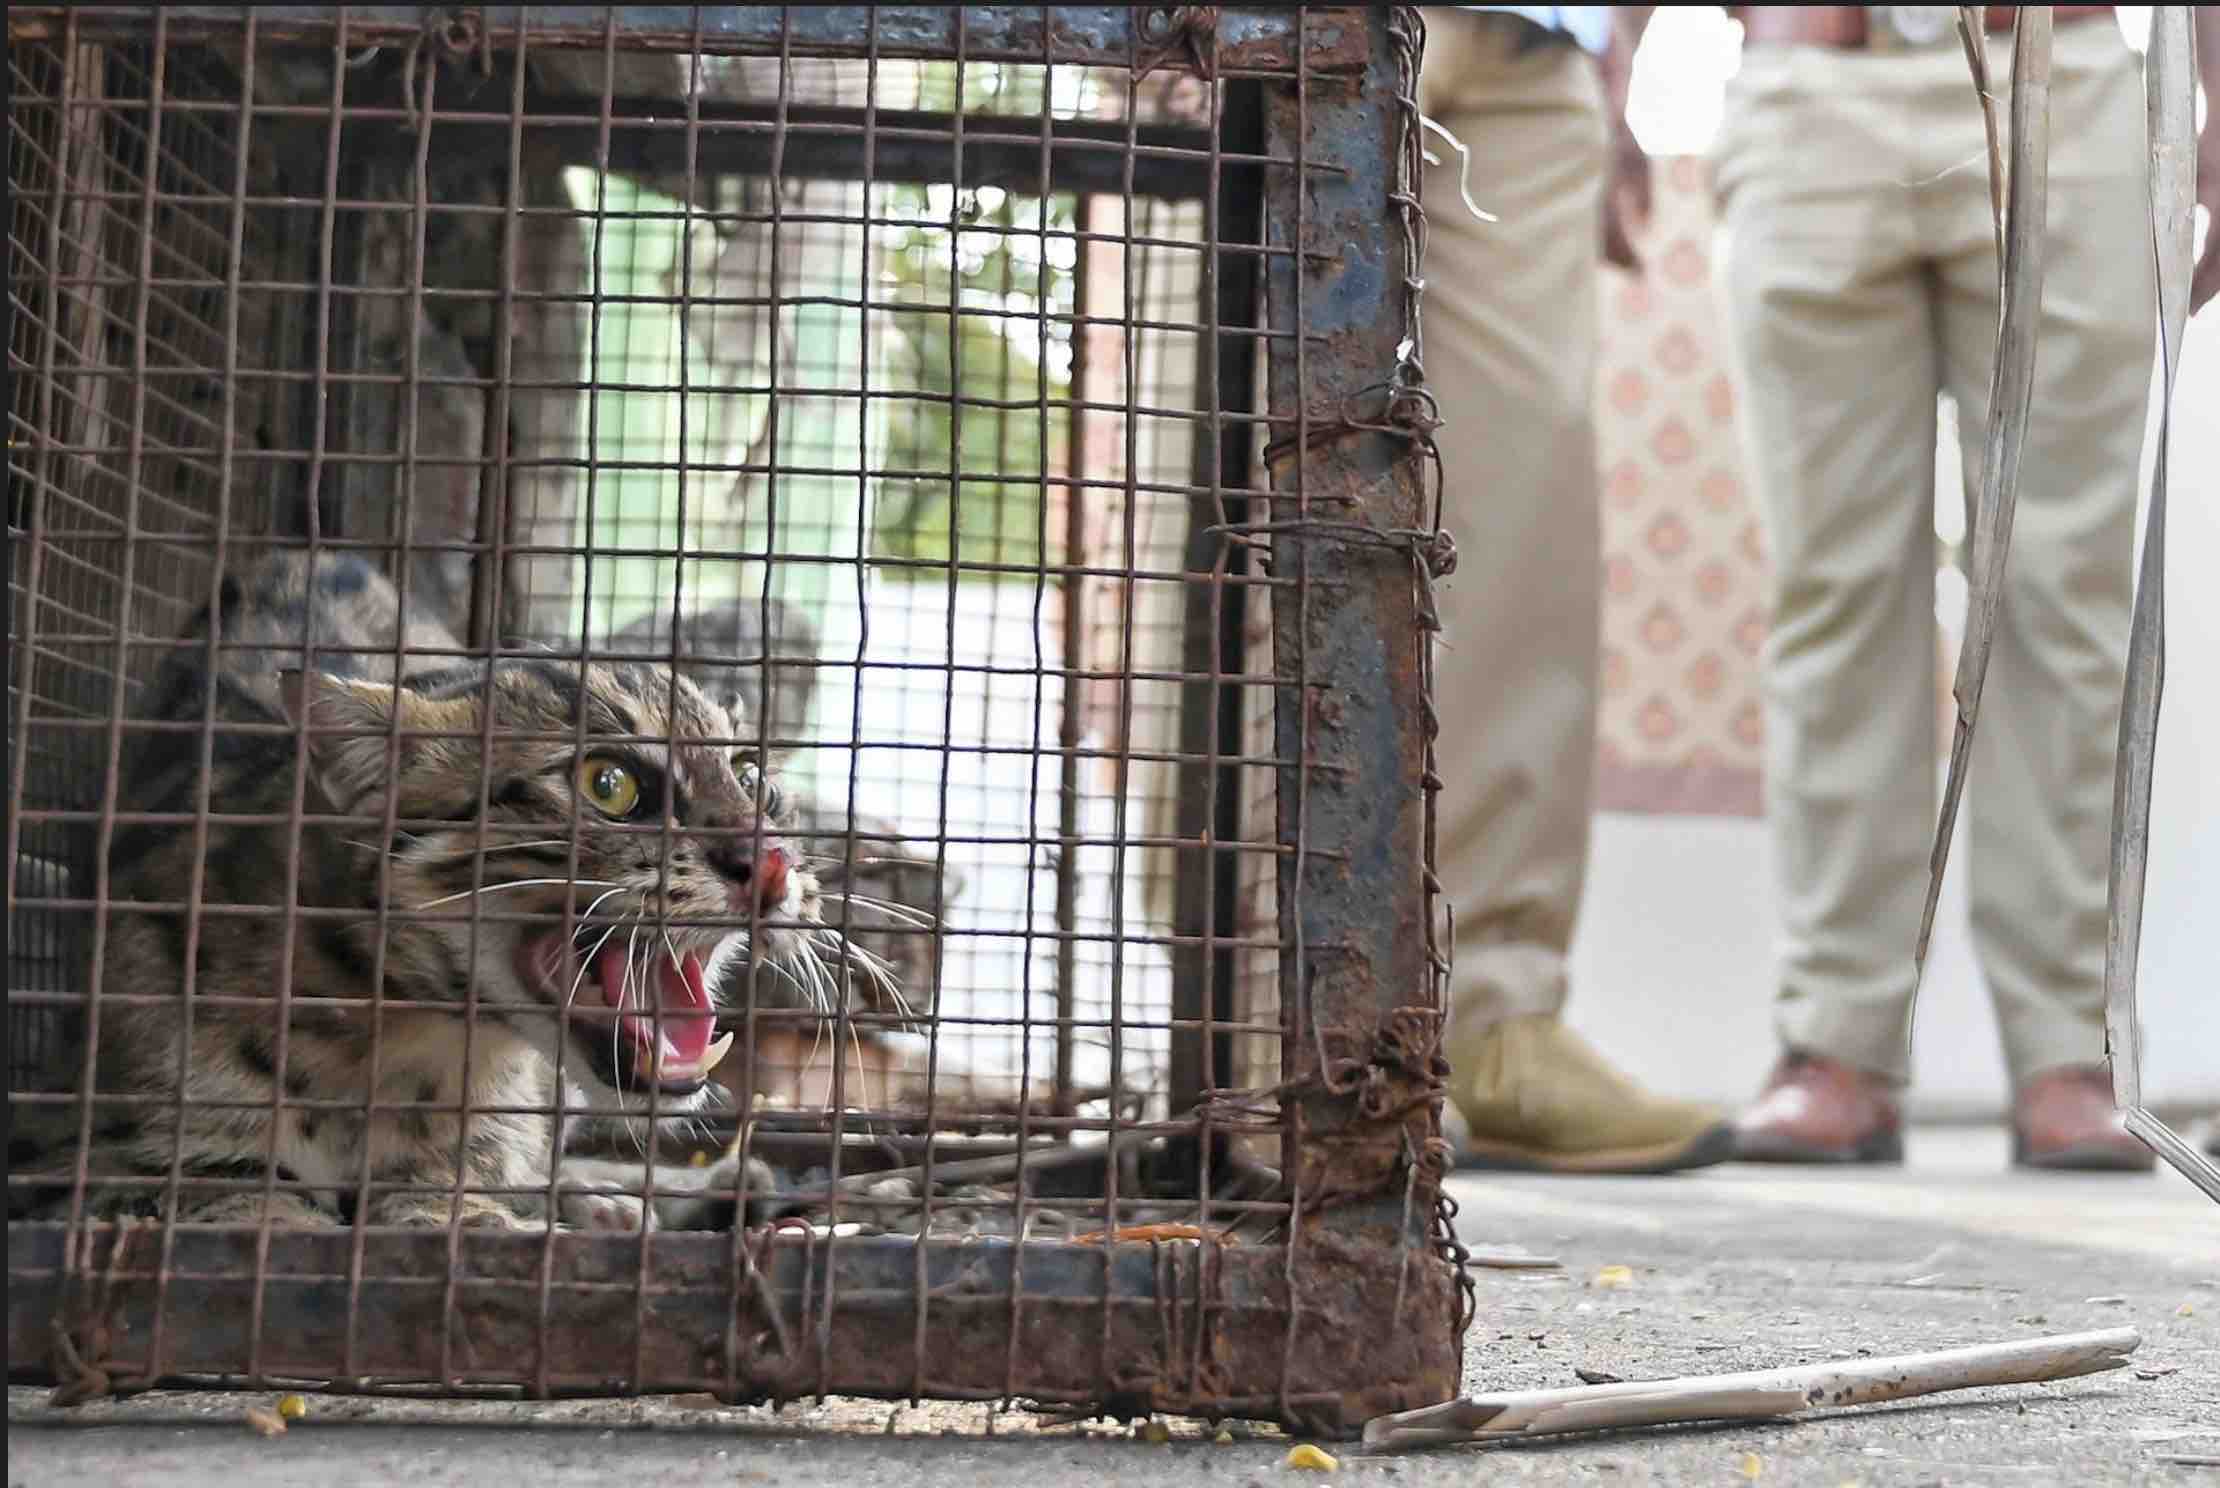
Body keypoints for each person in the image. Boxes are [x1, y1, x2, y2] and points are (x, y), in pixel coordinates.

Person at [1599, 4, 2220, 1169]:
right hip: (1810, 89)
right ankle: (1837, 1042)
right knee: (1835, 594)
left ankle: (2073, 1051)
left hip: (2068, 83)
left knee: (2065, 596)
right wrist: (1619, 62)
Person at [1421, 6, 1736, 1174]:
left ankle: (1494, 1018)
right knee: (1247, 470)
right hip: (1280, 31)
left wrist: (1620, 56)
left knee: (1522, 512)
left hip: (1533, 43)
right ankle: (1255, 1029)